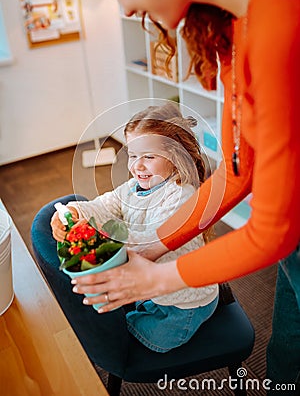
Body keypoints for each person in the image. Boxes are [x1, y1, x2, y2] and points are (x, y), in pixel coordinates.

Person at [36, 0, 300, 390]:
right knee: (291, 321)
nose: (125, 5)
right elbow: (240, 170)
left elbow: (275, 229)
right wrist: (156, 249)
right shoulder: (239, 20)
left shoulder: (284, 16)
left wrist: (156, 277)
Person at [46, 102, 219, 353]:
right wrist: (75, 211)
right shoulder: (132, 187)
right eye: (133, 155)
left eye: (148, 156)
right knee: (126, 311)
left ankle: (209, 305)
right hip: (157, 289)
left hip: (185, 304)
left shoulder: (182, 196)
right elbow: (104, 204)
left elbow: (150, 243)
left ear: (177, 155)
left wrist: (98, 229)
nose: (137, 166)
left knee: (143, 337)